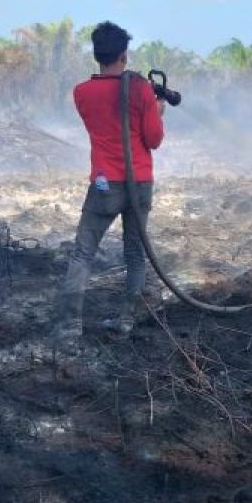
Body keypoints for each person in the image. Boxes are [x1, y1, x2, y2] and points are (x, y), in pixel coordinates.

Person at [56, 21, 166, 349]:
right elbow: (154, 139)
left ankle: (69, 327)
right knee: (134, 254)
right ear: (124, 54)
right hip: (139, 183)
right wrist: (156, 112)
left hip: (104, 185)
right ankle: (125, 320)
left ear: (97, 55)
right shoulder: (141, 90)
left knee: (82, 254)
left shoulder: (81, 93)